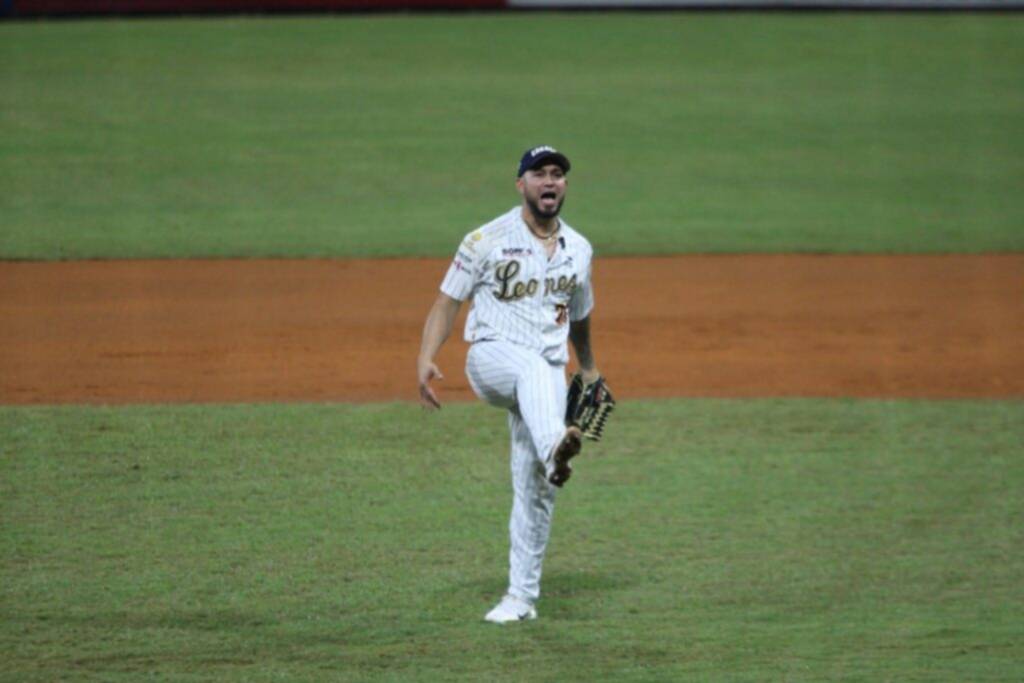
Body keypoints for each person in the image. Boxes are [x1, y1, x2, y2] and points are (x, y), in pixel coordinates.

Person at [416, 145, 602, 624]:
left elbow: (579, 317)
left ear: (564, 186)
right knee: (534, 370)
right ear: (521, 183)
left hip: (542, 385)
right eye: (539, 172)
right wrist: (426, 357)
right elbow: (445, 303)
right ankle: (554, 445)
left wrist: (590, 370)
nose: (550, 180)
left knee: (537, 489)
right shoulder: (485, 239)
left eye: (558, 173)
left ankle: (520, 599)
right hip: (491, 361)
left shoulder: (579, 249)